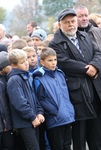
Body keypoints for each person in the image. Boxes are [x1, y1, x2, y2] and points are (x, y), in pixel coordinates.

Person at [49, 8, 101, 150]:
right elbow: (64, 63)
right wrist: (87, 69)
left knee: (97, 138)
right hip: (76, 96)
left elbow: (98, 53)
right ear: (60, 25)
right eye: (67, 22)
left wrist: (95, 66)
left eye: (73, 21)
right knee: (79, 138)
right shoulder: (55, 43)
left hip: (95, 91)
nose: (71, 24)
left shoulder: (85, 36)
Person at [33, 47, 75, 150]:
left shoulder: (60, 73)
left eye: (55, 60)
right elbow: (40, 99)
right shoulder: (39, 78)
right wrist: (54, 111)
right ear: (42, 62)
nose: (53, 63)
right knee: (57, 146)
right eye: (50, 60)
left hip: (66, 116)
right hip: (55, 119)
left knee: (67, 145)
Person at [7, 49, 45, 150]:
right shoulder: (14, 80)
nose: (26, 63)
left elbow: (34, 97)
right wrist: (32, 117)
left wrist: (39, 112)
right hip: (25, 122)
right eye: (22, 62)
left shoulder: (27, 76)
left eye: (26, 60)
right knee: (33, 148)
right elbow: (19, 102)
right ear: (14, 65)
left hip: (34, 118)